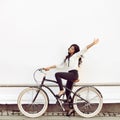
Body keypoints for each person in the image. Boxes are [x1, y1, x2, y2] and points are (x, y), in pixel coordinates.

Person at [44, 38, 99, 115]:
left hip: (73, 74)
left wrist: (93, 43)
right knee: (68, 93)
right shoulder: (67, 58)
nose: (70, 49)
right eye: (70, 47)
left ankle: (61, 90)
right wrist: (49, 67)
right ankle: (71, 109)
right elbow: (59, 66)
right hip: (70, 74)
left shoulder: (76, 55)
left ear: (75, 51)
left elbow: (84, 49)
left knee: (57, 74)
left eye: (72, 48)